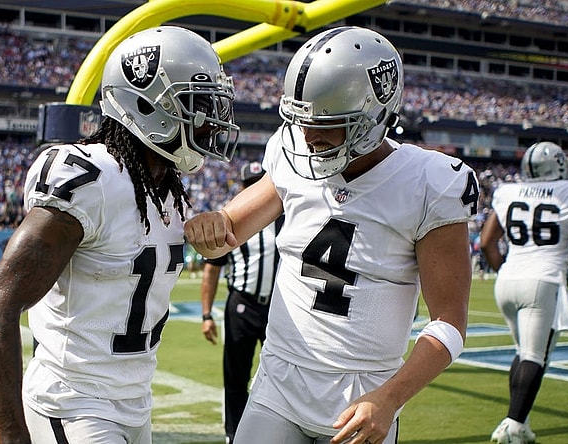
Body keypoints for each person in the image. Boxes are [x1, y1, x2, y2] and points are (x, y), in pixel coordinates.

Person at [185, 26, 478, 444]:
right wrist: (209, 225)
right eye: (301, 121)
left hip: (363, 397)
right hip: (279, 382)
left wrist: (390, 399)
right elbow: (228, 228)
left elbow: (449, 324)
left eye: (326, 123)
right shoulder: (291, 154)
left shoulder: (428, 182)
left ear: (373, 117)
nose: (307, 136)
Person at [0, 26, 238, 444]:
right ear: (149, 105)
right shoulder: (91, 181)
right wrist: (13, 439)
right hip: (74, 402)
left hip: (134, 403)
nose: (211, 122)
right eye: (196, 105)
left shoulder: (165, 189)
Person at [480, 141, 568, 444]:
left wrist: (506, 271)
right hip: (543, 278)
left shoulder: (508, 192)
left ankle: (520, 420)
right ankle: (514, 426)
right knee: (535, 356)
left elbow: (486, 243)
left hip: (508, 279)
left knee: (524, 354)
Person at [199, 161, 281, 444]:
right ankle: (233, 435)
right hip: (242, 304)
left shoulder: (287, 216)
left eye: (259, 183)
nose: (254, 190)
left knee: (283, 377)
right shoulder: (231, 219)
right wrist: (206, 314)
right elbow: (212, 269)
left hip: (279, 309)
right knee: (235, 377)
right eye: (249, 185)